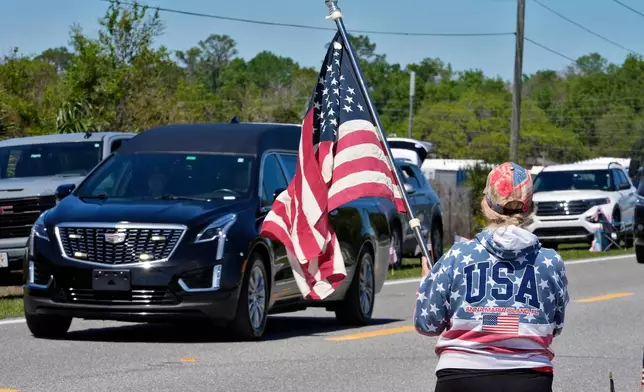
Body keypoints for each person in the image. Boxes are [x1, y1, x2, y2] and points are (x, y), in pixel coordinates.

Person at [414, 162, 569, 392]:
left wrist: (427, 283)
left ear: (485, 204)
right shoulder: (551, 262)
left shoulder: (457, 256)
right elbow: (555, 325)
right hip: (529, 377)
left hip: (460, 377)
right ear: (529, 208)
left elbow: (427, 323)